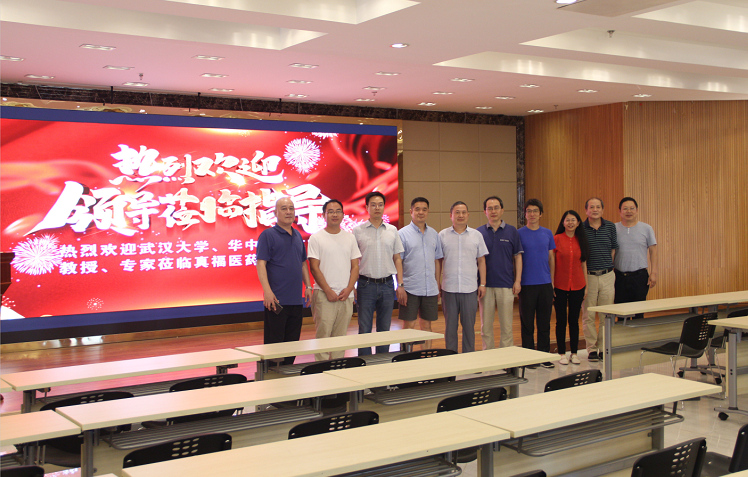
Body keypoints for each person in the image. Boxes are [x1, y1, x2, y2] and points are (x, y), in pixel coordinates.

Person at [256, 197, 313, 365]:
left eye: (291, 208)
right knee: (275, 346)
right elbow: (261, 264)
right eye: (284, 208)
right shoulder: (268, 235)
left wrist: (308, 286)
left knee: (292, 344)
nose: (288, 212)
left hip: (296, 300)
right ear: (275, 213)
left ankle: (287, 374)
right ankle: (271, 376)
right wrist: (267, 291)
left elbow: (303, 263)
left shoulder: (297, 235)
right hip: (276, 301)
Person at [352, 191, 406, 355]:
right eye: (373, 205)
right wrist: (352, 285)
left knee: (384, 328)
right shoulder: (358, 231)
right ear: (367, 207)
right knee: (364, 328)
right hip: (365, 285)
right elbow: (352, 262)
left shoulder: (392, 230)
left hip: (387, 285)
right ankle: (364, 363)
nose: (377, 208)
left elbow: (397, 259)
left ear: (384, 207)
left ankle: (382, 362)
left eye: (380, 205)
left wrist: (400, 284)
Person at [307, 199, 361, 361]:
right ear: (324, 215)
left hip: (346, 295)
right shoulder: (316, 238)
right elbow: (314, 267)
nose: (334, 214)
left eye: (338, 211)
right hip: (324, 295)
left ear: (343, 215)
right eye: (330, 211)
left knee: (341, 337)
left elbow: (355, 266)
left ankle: (338, 367)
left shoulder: (350, 238)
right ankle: (321, 369)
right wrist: (328, 291)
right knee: (323, 336)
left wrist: (350, 288)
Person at [439, 201, 488, 353]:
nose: (460, 215)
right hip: (449, 289)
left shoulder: (476, 235)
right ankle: (451, 357)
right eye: (457, 212)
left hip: (470, 289)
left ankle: (469, 357)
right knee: (450, 327)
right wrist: (437, 283)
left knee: (469, 327)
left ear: (468, 215)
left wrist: (483, 284)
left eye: (463, 212)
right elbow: (438, 261)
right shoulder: (442, 235)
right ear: (451, 215)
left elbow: (481, 261)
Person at [477, 196, 523, 349]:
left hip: (506, 285)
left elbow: (518, 257)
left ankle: (506, 356)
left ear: (502, 210)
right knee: (486, 327)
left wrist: (517, 281)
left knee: (507, 327)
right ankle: (488, 355)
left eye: (496, 208)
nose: (493, 211)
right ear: (485, 212)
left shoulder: (512, 231)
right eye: (489, 208)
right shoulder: (479, 233)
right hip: (485, 286)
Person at [398, 197, 443, 349]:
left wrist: (437, 285)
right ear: (411, 212)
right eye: (417, 209)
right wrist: (400, 285)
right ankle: (407, 358)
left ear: (428, 212)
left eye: (424, 209)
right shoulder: (402, 234)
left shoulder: (434, 234)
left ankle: (426, 357)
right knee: (409, 326)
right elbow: (398, 262)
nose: (421, 212)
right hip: (410, 288)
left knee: (427, 326)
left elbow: (437, 261)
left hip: (430, 288)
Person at [517, 199, 556, 368]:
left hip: (545, 284)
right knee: (527, 323)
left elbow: (551, 258)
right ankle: (529, 357)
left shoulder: (547, 233)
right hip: (526, 284)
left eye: (535, 211)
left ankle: (544, 355)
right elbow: (516, 259)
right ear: (525, 214)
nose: (532, 214)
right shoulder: (519, 233)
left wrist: (552, 282)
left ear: (541, 214)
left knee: (544, 322)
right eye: (529, 211)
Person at [581, 197, 618, 361]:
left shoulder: (610, 226)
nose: (595, 210)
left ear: (602, 210)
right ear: (586, 210)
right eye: (591, 207)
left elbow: (613, 249)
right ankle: (591, 348)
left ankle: (604, 347)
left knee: (606, 314)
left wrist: (607, 267)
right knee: (588, 315)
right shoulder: (581, 228)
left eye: (598, 207)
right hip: (588, 276)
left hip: (607, 275)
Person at [553, 210, 589, 365]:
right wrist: (552, 283)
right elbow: (552, 262)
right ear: (563, 222)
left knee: (574, 320)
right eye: (567, 220)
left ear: (578, 222)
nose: (570, 223)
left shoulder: (582, 240)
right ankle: (561, 353)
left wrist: (586, 285)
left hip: (578, 284)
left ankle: (574, 353)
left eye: (573, 220)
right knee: (560, 320)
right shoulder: (556, 239)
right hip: (559, 285)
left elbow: (584, 264)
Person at [614, 197, 657, 320]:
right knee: (621, 314)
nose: (629, 211)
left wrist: (654, 273)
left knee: (639, 314)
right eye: (625, 208)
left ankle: (638, 333)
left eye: (632, 208)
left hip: (640, 277)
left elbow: (653, 251)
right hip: (619, 277)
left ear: (637, 210)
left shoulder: (646, 228)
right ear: (620, 211)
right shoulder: (613, 228)